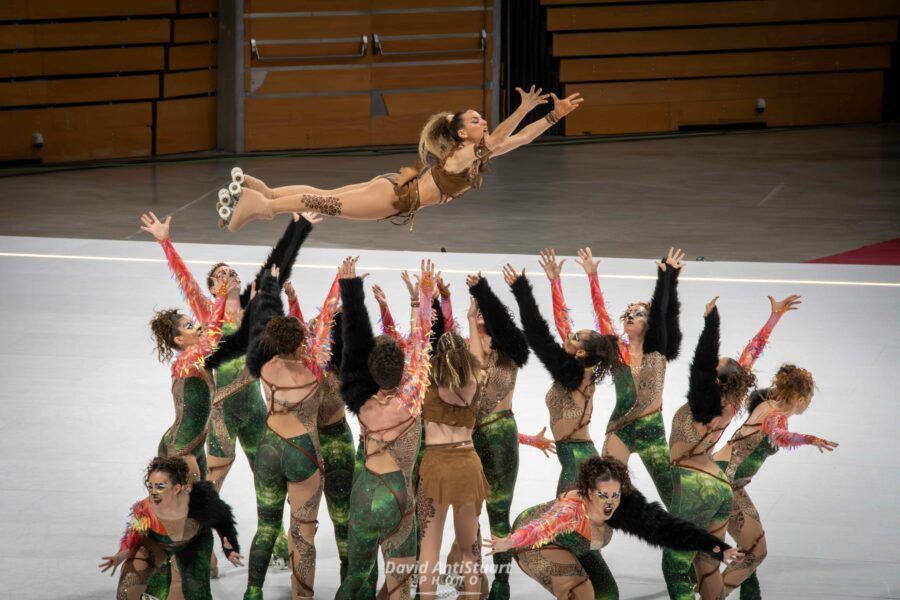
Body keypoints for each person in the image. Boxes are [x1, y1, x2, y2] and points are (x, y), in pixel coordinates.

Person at [219, 87, 583, 232]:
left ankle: (266, 190)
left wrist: (553, 117)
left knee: (325, 193)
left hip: (393, 186)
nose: (483, 122)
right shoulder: (464, 154)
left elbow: (517, 139)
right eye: (476, 120)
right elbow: (504, 135)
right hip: (393, 197)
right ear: (461, 134)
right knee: (324, 202)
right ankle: (261, 205)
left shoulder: (473, 155)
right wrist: (524, 108)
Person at [663, 294, 800, 600]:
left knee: (686, 557)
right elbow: (752, 352)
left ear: (717, 381)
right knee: (722, 552)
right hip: (712, 476)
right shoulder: (734, 396)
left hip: (691, 478)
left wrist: (711, 322)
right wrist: (774, 318)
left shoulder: (706, 401)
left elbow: (743, 354)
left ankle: (705, 589)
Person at [483, 456, 740, 599]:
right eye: (603, 495)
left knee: (607, 594)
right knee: (579, 592)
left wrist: (719, 549)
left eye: (615, 495)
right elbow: (541, 528)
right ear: (588, 492)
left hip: (577, 546)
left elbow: (671, 530)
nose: (610, 503)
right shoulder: (572, 510)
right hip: (534, 544)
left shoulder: (625, 507)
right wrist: (510, 542)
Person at [336, 257, 435, 599]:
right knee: (398, 585)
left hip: (363, 491)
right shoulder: (409, 402)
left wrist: (350, 288)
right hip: (397, 495)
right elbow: (422, 342)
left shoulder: (361, 403)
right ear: (405, 372)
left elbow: (352, 342)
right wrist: (423, 295)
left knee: (355, 578)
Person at [242, 265, 339, 600]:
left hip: (268, 447)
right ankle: (303, 596)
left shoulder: (265, 366)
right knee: (303, 534)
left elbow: (258, 327)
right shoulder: (315, 372)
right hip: (302, 452)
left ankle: (253, 591)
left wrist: (270, 293)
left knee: (267, 526)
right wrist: (340, 279)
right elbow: (325, 323)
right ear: (301, 343)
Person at [714, 365, 838, 599]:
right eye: (809, 398)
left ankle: (747, 594)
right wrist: (810, 439)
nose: (809, 403)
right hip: (723, 483)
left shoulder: (765, 403)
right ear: (800, 399)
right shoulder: (775, 416)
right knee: (756, 550)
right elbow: (780, 435)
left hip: (724, 479)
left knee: (751, 545)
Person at [503, 263, 625, 495]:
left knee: (567, 524)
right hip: (578, 456)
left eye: (576, 337)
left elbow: (538, 335)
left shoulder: (573, 376)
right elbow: (562, 325)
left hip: (578, 460)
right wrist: (554, 281)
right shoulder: (580, 370)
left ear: (580, 353)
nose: (569, 334)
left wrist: (522, 291)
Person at [99, 456, 242, 600]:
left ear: (176, 488)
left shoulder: (202, 499)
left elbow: (224, 518)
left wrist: (230, 549)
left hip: (195, 543)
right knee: (127, 590)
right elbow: (133, 537)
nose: (153, 492)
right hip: (157, 543)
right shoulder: (143, 510)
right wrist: (120, 555)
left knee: (196, 593)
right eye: (150, 486)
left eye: (160, 486)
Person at [149, 277, 234, 483]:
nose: (197, 327)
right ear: (179, 340)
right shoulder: (187, 361)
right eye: (189, 326)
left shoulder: (193, 361)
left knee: (200, 504)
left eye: (193, 322)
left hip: (194, 444)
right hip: (181, 448)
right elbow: (213, 334)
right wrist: (222, 296)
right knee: (186, 506)